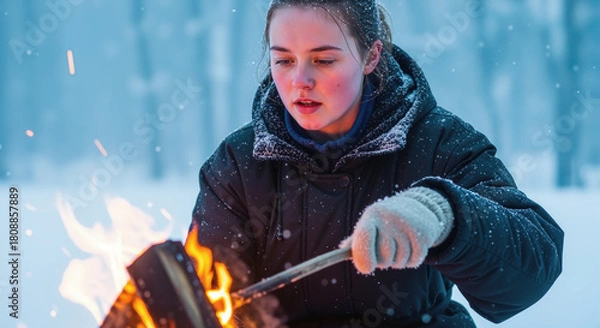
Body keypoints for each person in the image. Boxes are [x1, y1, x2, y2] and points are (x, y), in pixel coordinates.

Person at [190, 0, 564, 326]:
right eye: (283, 60)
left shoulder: (439, 144)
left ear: (371, 56)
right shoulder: (238, 162)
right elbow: (207, 298)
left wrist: (445, 215)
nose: (299, 80)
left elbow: (532, 271)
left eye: (323, 59)